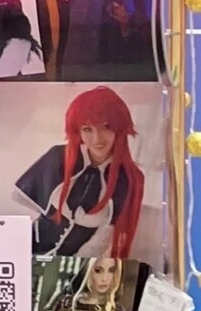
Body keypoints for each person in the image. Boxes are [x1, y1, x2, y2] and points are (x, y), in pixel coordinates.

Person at [13, 86, 144, 259]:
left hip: (78, 264)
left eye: (106, 127)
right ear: (78, 130)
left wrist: (79, 264)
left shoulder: (129, 178)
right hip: (29, 252)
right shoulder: (59, 157)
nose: (97, 139)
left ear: (119, 128)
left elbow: (109, 236)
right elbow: (25, 197)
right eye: (87, 129)